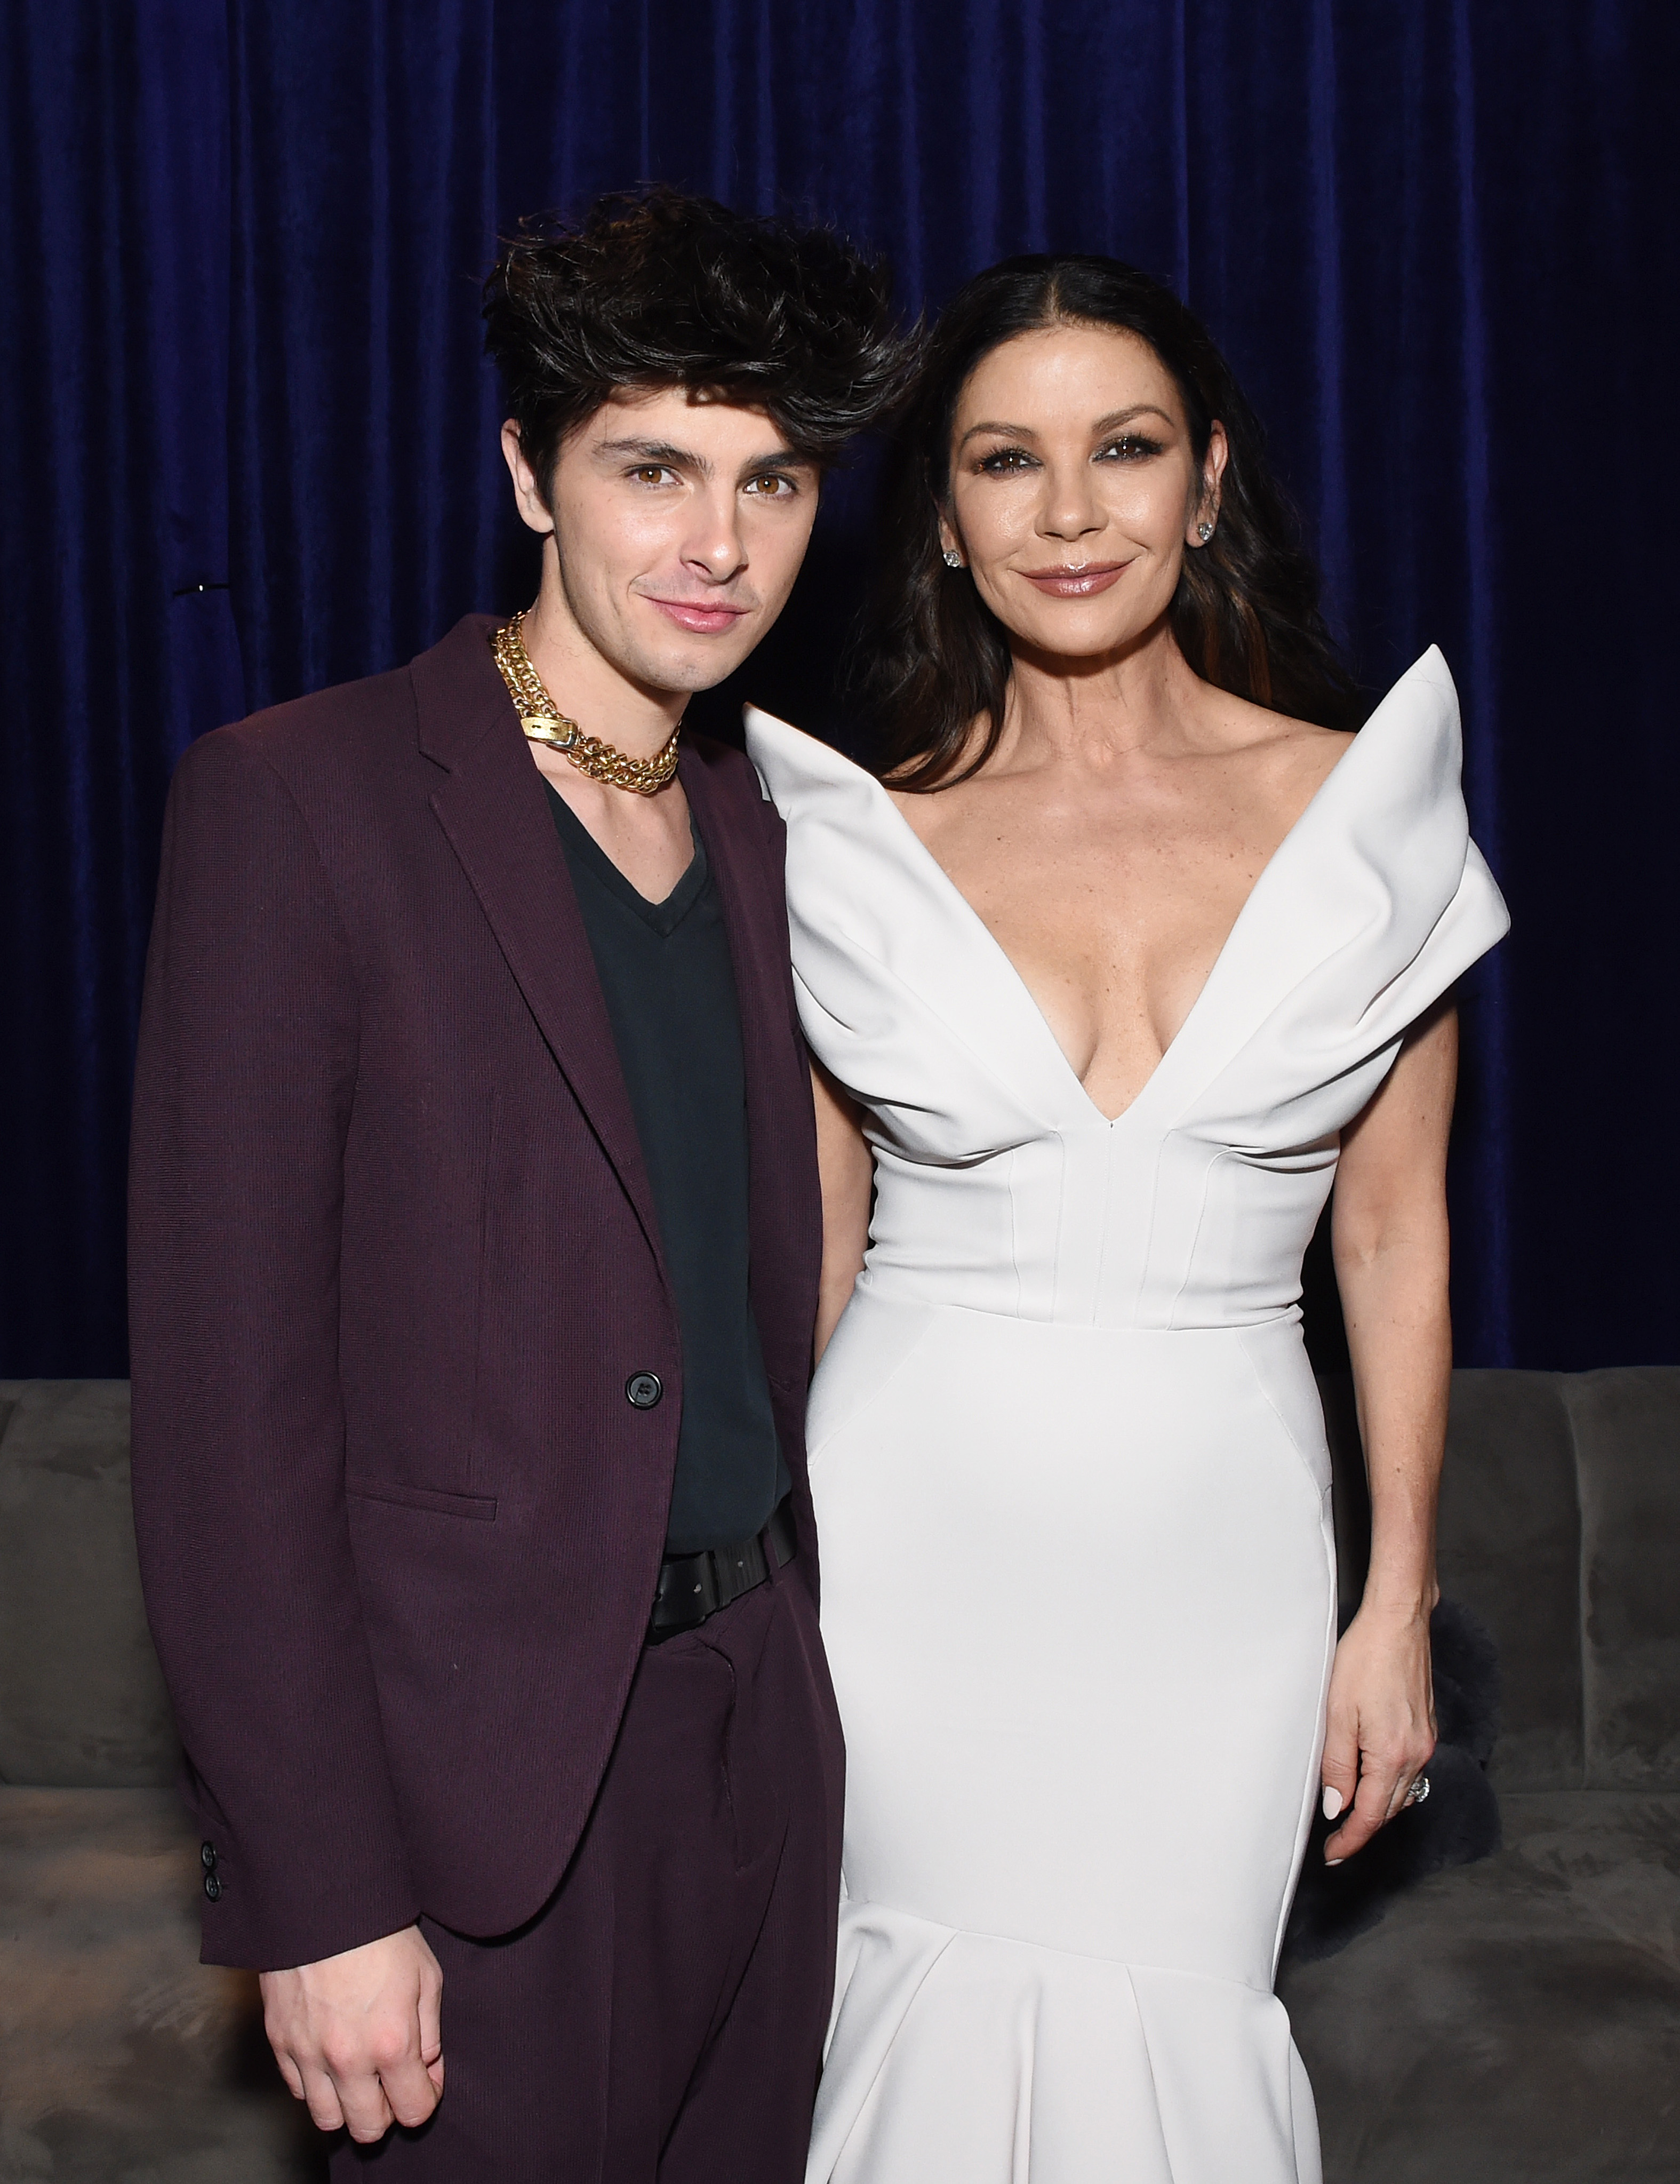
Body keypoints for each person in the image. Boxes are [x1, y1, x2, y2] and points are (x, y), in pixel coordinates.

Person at [128, 187, 902, 2182]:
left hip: (761, 1746)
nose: (718, 544)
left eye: (774, 480)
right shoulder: (301, 804)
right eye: (653, 469)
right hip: (476, 1799)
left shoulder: (770, 823)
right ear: (528, 473)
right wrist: (315, 1890)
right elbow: (231, 1424)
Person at [744, 254, 1509, 2182]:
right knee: (905, 2027)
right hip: (910, 1547)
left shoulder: (1368, 817)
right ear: (941, 514)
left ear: (1210, 477)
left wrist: (1392, 1599)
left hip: (1220, 1556)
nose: (1072, 512)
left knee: (1173, 2028)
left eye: (1127, 449)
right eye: (1008, 460)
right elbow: (811, 1260)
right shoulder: (846, 840)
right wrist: (748, 1603)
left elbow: (1396, 1239)